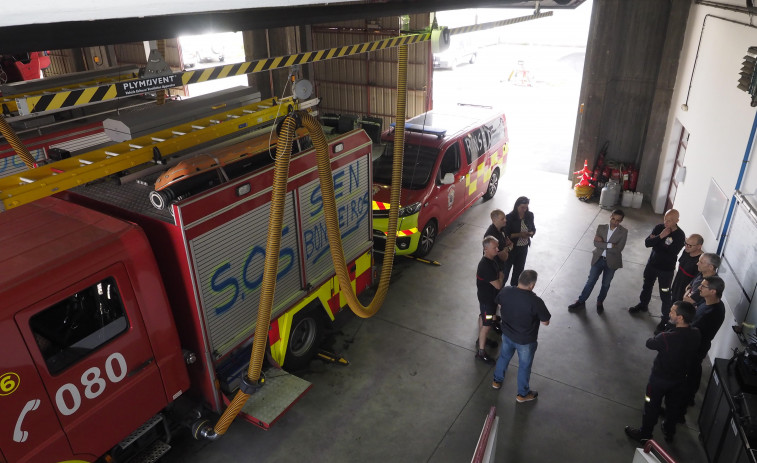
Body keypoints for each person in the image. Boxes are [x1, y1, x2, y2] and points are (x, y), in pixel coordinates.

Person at [624, 301, 701, 443]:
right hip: (680, 380)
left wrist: (668, 328)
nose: (669, 313)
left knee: (651, 406)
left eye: (672, 311)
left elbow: (649, 343)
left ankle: (645, 434)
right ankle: (669, 431)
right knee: (673, 408)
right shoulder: (696, 334)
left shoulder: (666, 337)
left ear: (680, 318)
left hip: (659, 380)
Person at [491, 270, 551, 403]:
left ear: (519, 280)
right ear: (532, 285)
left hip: (507, 334)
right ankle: (522, 394)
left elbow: (500, 304)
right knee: (524, 366)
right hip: (525, 341)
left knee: (504, 357)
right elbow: (545, 322)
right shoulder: (535, 301)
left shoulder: (506, 291)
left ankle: (497, 381)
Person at [568, 209, 627, 314]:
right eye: (613, 218)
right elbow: (596, 244)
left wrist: (603, 244)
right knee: (590, 281)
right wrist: (610, 245)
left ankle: (600, 302)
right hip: (598, 259)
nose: (615, 222)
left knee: (606, 284)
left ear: (621, 221)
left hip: (612, 262)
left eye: (618, 220)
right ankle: (581, 301)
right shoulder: (601, 228)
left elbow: (619, 249)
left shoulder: (624, 232)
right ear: (611, 216)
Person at [629, 209, 686, 316]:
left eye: (669, 220)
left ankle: (665, 318)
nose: (666, 222)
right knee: (647, 286)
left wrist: (655, 241)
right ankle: (643, 305)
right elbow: (647, 243)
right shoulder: (659, 228)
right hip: (652, 265)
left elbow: (671, 252)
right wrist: (660, 236)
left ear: (677, 221)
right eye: (665, 219)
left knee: (665, 293)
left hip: (666, 270)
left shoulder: (680, 235)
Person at [685, 275, 726, 408]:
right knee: (694, 371)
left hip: (696, 347)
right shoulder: (710, 301)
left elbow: (692, 328)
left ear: (713, 291)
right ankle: (689, 398)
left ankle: (681, 407)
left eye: (703, 286)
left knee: (689, 374)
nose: (699, 288)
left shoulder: (711, 313)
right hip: (698, 345)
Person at [655, 234, 704, 333]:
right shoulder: (686, 252)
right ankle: (664, 322)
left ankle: (670, 330)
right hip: (676, 286)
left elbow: (695, 282)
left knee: (679, 313)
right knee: (671, 307)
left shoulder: (700, 262)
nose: (686, 247)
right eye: (686, 243)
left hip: (684, 294)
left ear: (699, 246)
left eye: (690, 245)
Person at [475, 236, 503, 364]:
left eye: (497, 246)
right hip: (487, 301)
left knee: (483, 317)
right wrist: (501, 277)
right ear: (486, 249)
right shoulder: (485, 266)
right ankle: (481, 353)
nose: (497, 249)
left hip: (487, 298)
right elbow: (498, 285)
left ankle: (481, 340)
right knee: (487, 325)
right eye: (494, 248)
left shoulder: (491, 259)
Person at [505, 196, 536, 286]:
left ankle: (514, 290)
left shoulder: (530, 215)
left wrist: (531, 233)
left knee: (518, 272)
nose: (524, 210)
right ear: (516, 206)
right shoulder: (509, 218)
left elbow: (533, 228)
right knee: (506, 271)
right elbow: (506, 235)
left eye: (526, 207)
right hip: (512, 248)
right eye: (522, 207)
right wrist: (520, 235)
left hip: (523, 248)